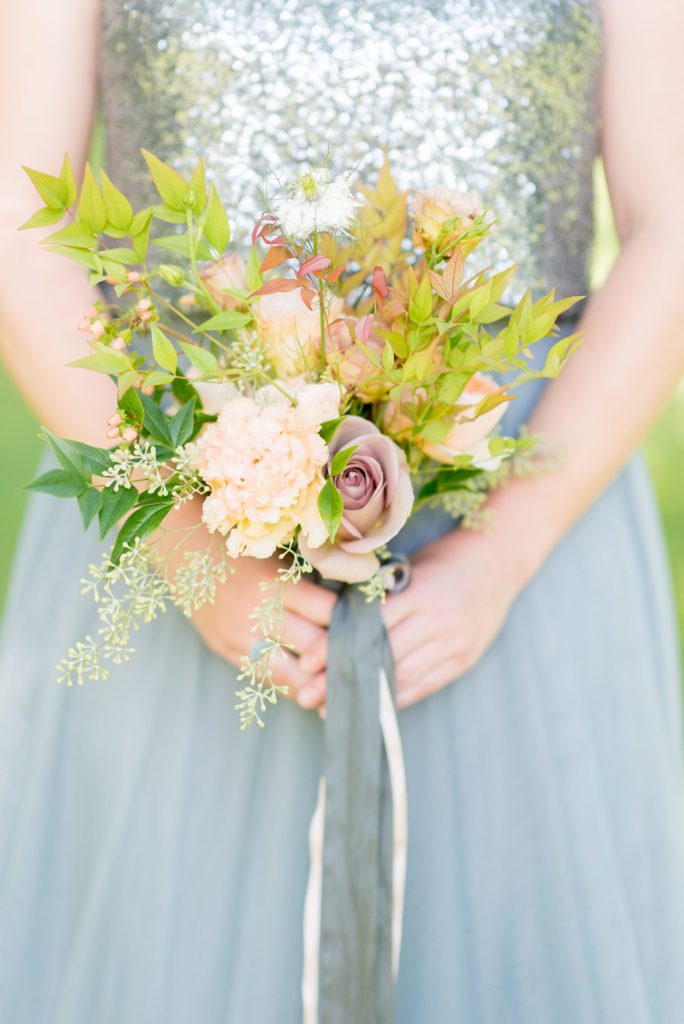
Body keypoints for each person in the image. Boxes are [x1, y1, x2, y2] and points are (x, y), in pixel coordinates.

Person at [1, 1, 684, 1021]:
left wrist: (502, 553)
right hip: (178, 493)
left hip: (524, 528)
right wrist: (186, 544)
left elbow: (673, 224)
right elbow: (21, 227)